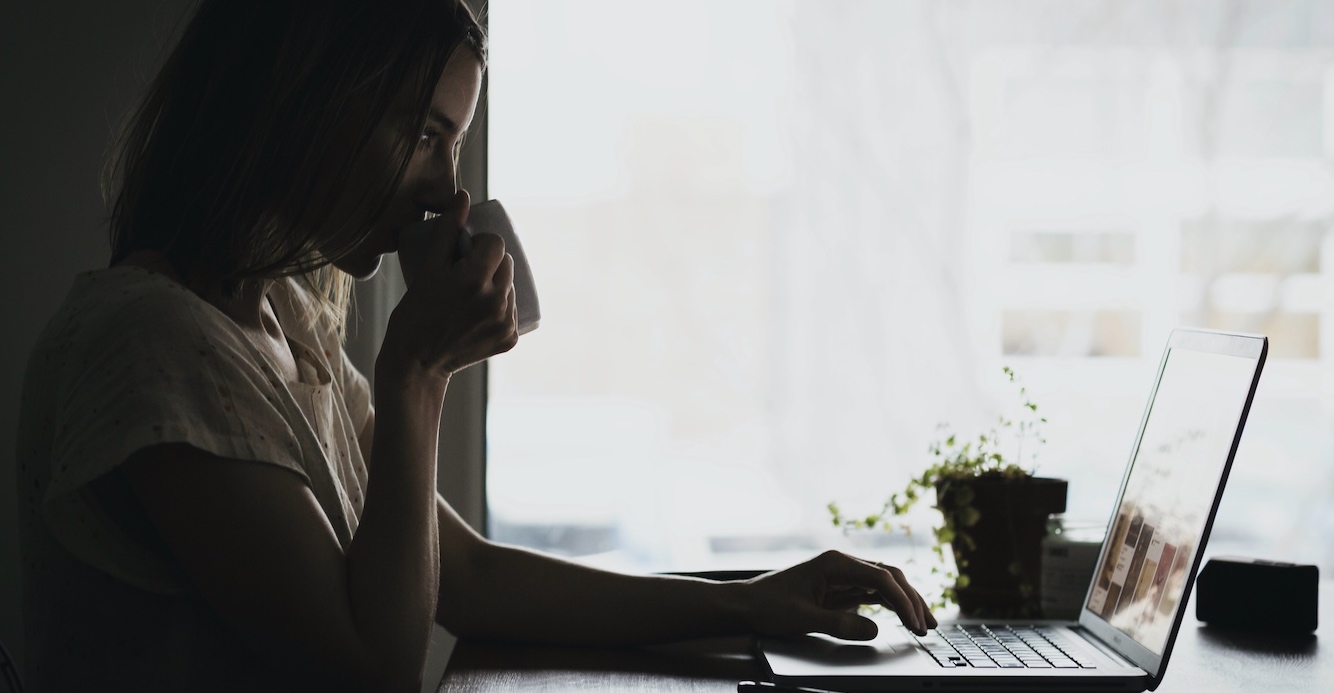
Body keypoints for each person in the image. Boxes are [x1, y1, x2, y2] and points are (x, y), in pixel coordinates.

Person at [15, 1, 936, 690]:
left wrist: (748, 600)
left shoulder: (282, 323)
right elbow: (370, 671)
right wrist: (418, 372)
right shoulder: (153, 344)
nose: (443, 192)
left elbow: (464, 574)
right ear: (303, 104)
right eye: (424, 135)